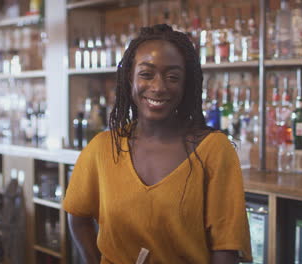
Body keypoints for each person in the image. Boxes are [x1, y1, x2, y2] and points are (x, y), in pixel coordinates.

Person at [63, 24, 252, 264]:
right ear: (129, 78)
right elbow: (77, 216)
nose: (159, 87)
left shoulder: (213, 150)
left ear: (187, 85)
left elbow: (226, 248)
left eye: (172, 77)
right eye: (146, 74)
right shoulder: (102, 148)